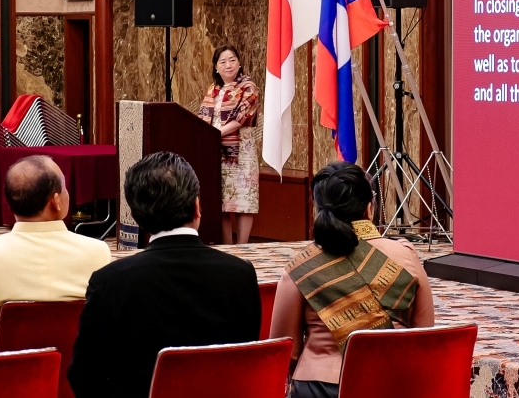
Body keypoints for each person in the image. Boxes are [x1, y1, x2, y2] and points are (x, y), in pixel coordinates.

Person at [68, 152, 261, 398]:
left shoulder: (110, 282)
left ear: (136, 216)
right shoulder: (241, 275)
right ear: (197, 208)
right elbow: (247, 360)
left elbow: (83, 374)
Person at [269, 162, 435, 398]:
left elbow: (285, 352)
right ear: (369, 208)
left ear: (320, 210)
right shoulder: (406, 255)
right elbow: (425, 334)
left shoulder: (300, 268)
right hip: (391, 384)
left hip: (319, 387)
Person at [0, 155, 111, 353]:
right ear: (56, 201)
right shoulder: (97, 253)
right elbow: (108, 326)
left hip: (7, 370)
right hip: (78, 370)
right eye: (64, 188)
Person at [197, 45, 260, 244]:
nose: (228, 65)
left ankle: (242, 247)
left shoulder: (248, 88)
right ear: (216, 67)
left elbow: (242, 118)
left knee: (243, 200)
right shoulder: (213, 90)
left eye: (232, 60)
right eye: (223, 62)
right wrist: (208, 136)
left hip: (241, 151)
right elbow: (202, 117)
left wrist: (215, 134)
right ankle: (227, 247)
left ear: (239, 63)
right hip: (216, 151)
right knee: (222, 202)